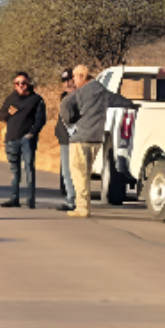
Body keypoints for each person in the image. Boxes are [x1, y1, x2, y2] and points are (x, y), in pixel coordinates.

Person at [58, 64, 114, 218]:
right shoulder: (97, 92)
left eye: (73, 78)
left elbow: (70, 113)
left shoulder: (81, 94)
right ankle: (82, 205)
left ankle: (81, 207)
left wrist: (72, 127)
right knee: (82, 173)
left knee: (78, 173)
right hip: (92, 137)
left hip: (81, 137)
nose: (71, 82)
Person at [0, 71, 46, 208]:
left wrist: (32, 133)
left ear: (28, 83)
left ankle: (30, 200)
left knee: (29, 168)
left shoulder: (36, 99)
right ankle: (14, 199)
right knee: (14, 170)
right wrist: (8, 113)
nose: (20, 86)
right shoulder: (11, 98)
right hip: (12, 138)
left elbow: (41, 119)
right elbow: (1, 116)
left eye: (23, 83)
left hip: (27, 139)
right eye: (17, 83)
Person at [53, 69, 77, 212]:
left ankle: (73, 200)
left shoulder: (80, 96)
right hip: (64, 138)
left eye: (70, 80)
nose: (67, 83)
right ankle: (70, 198)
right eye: (64, 81)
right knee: (66, 172)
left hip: (76, 138)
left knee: (74, 171)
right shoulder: (64, 97)